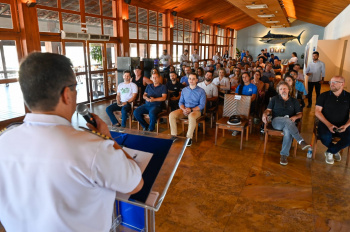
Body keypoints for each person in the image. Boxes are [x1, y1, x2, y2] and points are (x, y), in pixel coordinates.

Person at [0, 52, 143, 232]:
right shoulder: (92, 147)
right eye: (75, 87)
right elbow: (135, 183)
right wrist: (108, 139)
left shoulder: (4, 142)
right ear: (67, 94)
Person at [262, 81, 311, 165]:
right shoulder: (274, 99)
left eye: (284, 88)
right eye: (280, 89)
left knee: (288, 131)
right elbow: (268, 110)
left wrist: (295, 117)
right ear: (278, 91)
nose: (283, 90)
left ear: (289, 89)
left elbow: (300, 114)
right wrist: (264, 114)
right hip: (277, 121)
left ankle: (284, 155)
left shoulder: (294, 101)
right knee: (287, 120)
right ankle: (300, 140)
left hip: (290, 123)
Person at [315, 76, 350, 165]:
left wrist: (346, 126)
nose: (331, 84)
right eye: (331, 82)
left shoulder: (348, 96)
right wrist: (328, 124)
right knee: (325, 138)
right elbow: (317, 112)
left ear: (342, 84)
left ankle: (331, 151)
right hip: (326, 124)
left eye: (335, 82)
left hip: (343, 125)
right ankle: (335, 150)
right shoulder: (324, 96)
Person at [169, 72, 206, 147]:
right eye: (190, 79)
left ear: (197, 80)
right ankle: (174, 135)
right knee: (171, 115)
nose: (191, 80)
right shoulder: (184, 90)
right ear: (188, 80)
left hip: (196, 110)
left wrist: (191, 110)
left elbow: (202, 105)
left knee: (191, 117)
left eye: (193, 79)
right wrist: (184, 109)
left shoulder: (201, 91)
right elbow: (180, 102)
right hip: (184, 109)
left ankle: (189, 138)